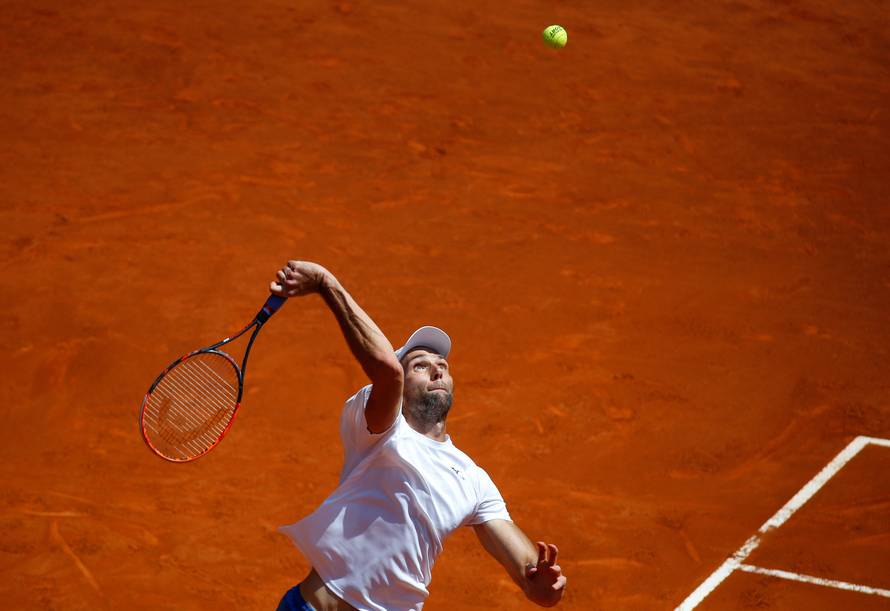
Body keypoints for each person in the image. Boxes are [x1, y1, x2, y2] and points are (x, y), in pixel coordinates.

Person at [271, 260, 567, 611]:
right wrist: (326, 283)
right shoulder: (376, 429)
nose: (437, 369)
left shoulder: (473, 480)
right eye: (420, 365)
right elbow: (387, 371)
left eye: (442, 366)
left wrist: (544, 586)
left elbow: (532, 578)